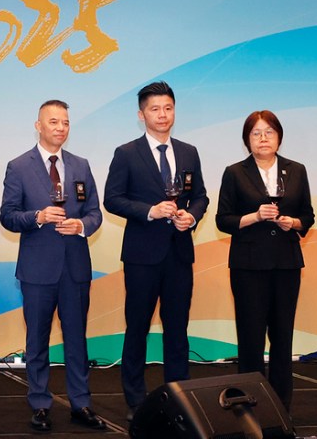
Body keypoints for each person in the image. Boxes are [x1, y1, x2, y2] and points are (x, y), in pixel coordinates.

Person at [0, 100, 108, 433]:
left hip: (75, 267)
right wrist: (38, 217)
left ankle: (81, 403)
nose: (60, 128)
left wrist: (81, 225)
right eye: (53, 122)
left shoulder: (81, 165)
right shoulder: (19, 166)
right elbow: (8, 216)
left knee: (77, 338)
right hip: (37, 269)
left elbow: (95, 212)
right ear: (38, 125)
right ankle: (40, 403)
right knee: (37, 340)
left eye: (65, 122)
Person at [104, 82, 206, 411]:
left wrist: (191, 216)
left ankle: (179, 399)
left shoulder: (189, 152)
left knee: (177, 329)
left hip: (179, 253)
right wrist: (149, 211)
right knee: (138, 327)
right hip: (141, 256)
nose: (162, 115)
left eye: (168, 108)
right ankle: (136, 401)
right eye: (155, 109)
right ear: (141, 115)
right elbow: (112, 199)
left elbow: (201, 196)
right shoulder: (126, 153)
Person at [214, 110, 313, 408]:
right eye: (256, 133)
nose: (263, 138)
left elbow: (308, 216)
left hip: (286, 264)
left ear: (279, 136)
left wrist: (293, 223)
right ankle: (248, 404)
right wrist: (255, 216)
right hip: (248, 265)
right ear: (247, 140)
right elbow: (223, 220)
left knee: (282, 338)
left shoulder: (296, 170)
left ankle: (281, 407)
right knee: (251, 338)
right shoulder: (235, 172)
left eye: (269, 132)